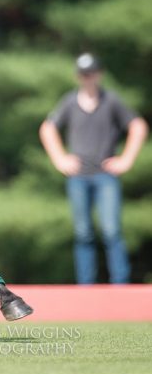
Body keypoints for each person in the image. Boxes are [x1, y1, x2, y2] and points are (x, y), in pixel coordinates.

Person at [39, 53, 148, 284]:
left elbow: (138, 126)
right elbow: (47, 128)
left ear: (100, 74)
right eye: (83, 74)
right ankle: (86, 287)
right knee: (83, 234)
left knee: (111, 232)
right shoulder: (69, 102)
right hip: (79, 177)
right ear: (78, 76)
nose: (88, 78)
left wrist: (126, 159)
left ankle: (121, 285)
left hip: (105, 176)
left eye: (91, 73)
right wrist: (60, 159)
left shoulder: (112, 101)